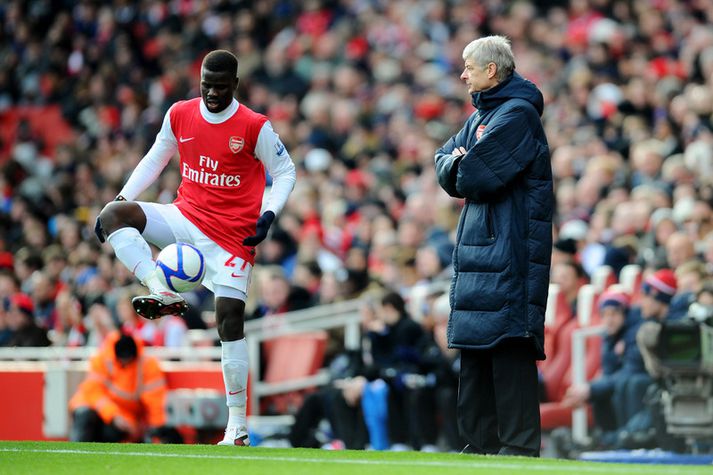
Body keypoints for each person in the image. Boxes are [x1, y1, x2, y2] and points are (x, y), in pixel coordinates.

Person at [94, 50, 296, 446]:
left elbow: (286, 172)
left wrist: (268, 215)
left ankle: (236, 425)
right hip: (185, 217)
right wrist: (123, 195)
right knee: (113, 215)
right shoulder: (180, 114)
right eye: (206, 85)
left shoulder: (255, 126)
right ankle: (160, 288)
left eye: (220, 87)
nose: (212, 93)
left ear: (235, 85)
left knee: (229, 320)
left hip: (232, 237)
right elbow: (156, 159)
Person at [434, 35, 552, 457]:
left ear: (492, 70)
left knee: (507, 350)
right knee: (475, 354)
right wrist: (457, 161)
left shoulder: (518, 115)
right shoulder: (482, 116)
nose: (463, 74)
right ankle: (479, 445)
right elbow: (443, 161)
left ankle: (517, 448)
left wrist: (461, 163)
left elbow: (474, 177)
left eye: (469, 66)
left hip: (510, 251)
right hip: (480, 252)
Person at [69, 331, 169, 442]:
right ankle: (76, 454)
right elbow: (93, 392)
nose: (125, 363)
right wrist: (113, 415)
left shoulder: (148, 365)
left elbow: (156, 403)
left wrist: (157, 435)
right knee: (85, 416)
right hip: (91, 406)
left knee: (112, 432)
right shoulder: (102, 359)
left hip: (123, 416)